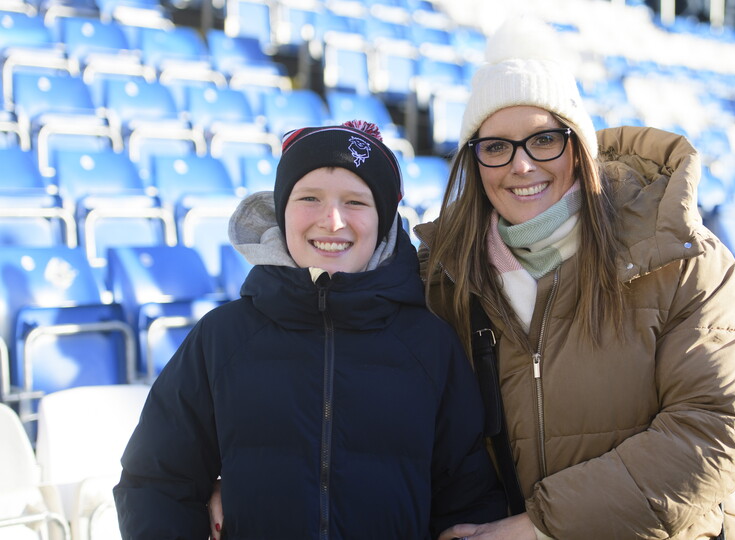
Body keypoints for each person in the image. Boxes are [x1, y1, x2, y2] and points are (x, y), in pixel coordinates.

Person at [415, 18, 735, 540]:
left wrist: (538, 529)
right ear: (475, 161)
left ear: (577, 145)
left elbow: (714, 430)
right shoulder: (446, 279)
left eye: (544, 140)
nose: (522, 165)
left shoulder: (681, 255)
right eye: (496, 147)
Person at [114, 120, 507, 539]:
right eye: (310, 198)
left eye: (356, 202)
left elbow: (467, 500)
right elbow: (156, 483)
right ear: (281, 210)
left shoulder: (430, 345)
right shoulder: (221, 338)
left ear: (385, 221)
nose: (332, 220)